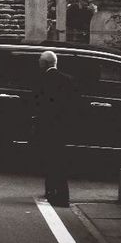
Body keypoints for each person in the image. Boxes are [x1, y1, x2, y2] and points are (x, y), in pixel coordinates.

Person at [34, 50, 72, 208]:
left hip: (47, 125)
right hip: (62, 126)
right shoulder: (68, 80)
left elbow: (38, 104)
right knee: (60, 160)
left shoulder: (42, 80)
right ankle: (62, 195)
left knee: (49, 159)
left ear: (45, 63)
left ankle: (51, 191)